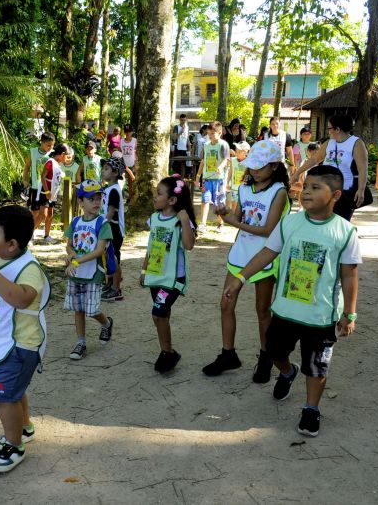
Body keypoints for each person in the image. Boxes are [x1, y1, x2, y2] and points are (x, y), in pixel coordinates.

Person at [222, 165, 361, 437]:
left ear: (335, 195)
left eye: (315, 188)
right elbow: (267, 253)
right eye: (305, 186)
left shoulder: (345, 232)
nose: (306, 192)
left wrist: (350, 314)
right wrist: (240, 277)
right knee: (273, 350)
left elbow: (349, 275)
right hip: (285, 309)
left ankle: (311, 409)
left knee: (316, 365)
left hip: (320, 315)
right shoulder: (289, 223)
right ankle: (287, 372)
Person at [203, 141, 290, 382]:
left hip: (266, 256)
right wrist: (224, 213)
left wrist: (233, 223)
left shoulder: (279, 192)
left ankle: (266, 358)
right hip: (241, 254)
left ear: (273, 166)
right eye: (251, 166)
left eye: (258, 167)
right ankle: (228, 353)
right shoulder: (244, 188)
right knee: (226, 303)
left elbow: (268, 229)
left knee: (262, 310)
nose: (252, 171)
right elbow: (238, 215)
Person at [0, 205, 50, 472]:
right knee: (12, 392)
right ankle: (24, 427)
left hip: (20, 345)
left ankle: (15, 444)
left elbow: (21, 298)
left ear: (11, 245)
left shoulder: (28, 267)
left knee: (4, 397)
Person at [140, 175, 197, 373]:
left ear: (172, 200)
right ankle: (168, 347)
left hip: (172, 279)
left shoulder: (180, 221)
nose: (154, 197)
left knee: (157, 314)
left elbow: (189, 246)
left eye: (159, 193)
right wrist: (144, 269)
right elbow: (151, 246)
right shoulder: (154, 218)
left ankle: (168, 352)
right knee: (162, 314)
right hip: (156, 275)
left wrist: (185, 220)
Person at [64, 180, 115, 360]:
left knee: (92, 310)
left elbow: (99, 250)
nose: (96, 202)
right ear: (80, 202)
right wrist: (71, 256)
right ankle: (81, 342)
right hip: (76, 274)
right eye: (91, 198)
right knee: (79, 309)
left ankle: (106, 323)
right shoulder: (76, 222)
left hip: (94, 273)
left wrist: (76, 262)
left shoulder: (103, 224)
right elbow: (69, 245)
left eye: (99, 198)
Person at [291, 115, 369, 221]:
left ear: (338, 129)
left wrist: (361, 189)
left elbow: (362, 169)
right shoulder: (329, 143)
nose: (328, 131)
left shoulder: (356, 143)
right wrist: (297, 173)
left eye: (329, 128)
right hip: (324, 189)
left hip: (345, 191)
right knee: (320, 220)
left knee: (339, 222)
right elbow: (314, 159)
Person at [194, 121, 231, 233]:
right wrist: (198, 177)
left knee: (220, 203)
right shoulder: (206, 145)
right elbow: (203, 161)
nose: (210, 136)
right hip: (207, 179)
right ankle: (203, 224)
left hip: (220, 180)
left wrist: (220, 166)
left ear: (219, 133)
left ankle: (220, 224)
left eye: (212, 134)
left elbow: (226, 160)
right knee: (205, 200)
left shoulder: (223, 144)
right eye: (208, 133)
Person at [100, 157, 126, 301]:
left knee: (114, 258)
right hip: (109, 227)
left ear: (115, 172)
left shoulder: (114, 190)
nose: (103, 171)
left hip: (113, 228)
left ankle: (116, 289)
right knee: (109, 256)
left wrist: (101, 224)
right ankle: (110, 283)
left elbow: (110, 212)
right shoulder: (109, 189)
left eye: (106, 169)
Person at [23, 132, 55, 238]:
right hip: (36, 187)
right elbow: (27, 167)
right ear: (42, 142)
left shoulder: (53, 154)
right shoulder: (32, 152)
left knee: (44, 214)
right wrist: (25, 179)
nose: (50, 147)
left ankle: (30, 233)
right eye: (48, 145)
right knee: (35, 213)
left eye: (52, 145)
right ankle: (30, 234)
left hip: (47, 188)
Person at [37, 144, 67, 244]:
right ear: (62, 154)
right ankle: (29, 236)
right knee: (42, 215)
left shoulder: (58, 165)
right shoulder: (50, 162)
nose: (66, 158)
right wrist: (47, 192)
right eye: (66, 155)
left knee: (50, 215)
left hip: (53, 194)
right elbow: (43, 177)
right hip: (46, 193)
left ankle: (47, 235)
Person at [227, 142, 250, 214]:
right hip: (234, 187)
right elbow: (230, 171)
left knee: (244, 204)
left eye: (239, 151)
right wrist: (227, 182)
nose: (236, 153)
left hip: (245, 188)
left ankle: (241, 219)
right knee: (234, 203)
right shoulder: (233, 160)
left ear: (245, 152)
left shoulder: (249, 162)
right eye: (236, 150)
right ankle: (235, 219)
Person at [60, 145, 81, 220]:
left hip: (71, 191)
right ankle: (62, 220)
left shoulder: (76, 166)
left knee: (70, 207)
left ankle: (70, 220)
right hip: (60, 190)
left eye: (70, 157)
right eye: (66, 157)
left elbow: (78, 179)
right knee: (61, 207)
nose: (68, 159)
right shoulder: (60, 165)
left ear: (73, 157)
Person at [120, 124, 137, 199]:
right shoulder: (121, 141)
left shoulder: (135, 140)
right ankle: (121, 198)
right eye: (126, 131)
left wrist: (136, 163)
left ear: (132, 132)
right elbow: (120, 151)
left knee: (131, 184)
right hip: (123, 165)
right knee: (121, 182)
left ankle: (130, 199)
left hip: (132, 164)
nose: (127, 133)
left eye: (129, 131)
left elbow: (137, 152)